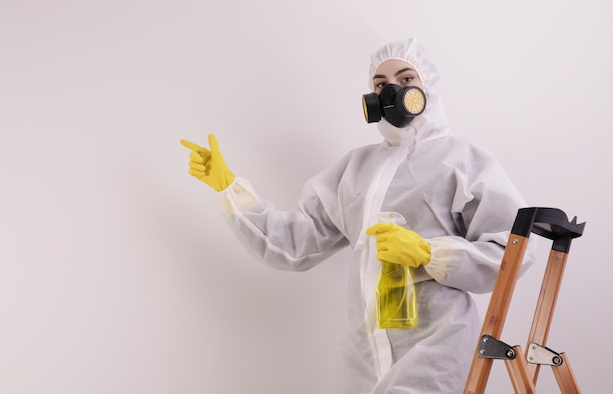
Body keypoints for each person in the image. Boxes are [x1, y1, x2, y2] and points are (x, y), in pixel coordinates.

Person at [180, 38, 535, 394]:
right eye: (380, 84)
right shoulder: (356, 169)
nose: (391, 90)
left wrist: (429, 253)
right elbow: (292, 246)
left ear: (429, 86)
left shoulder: (462, 160)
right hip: (363, 359)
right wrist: (229, 188)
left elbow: (514, 250)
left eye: (406, 78)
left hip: (436, 347)